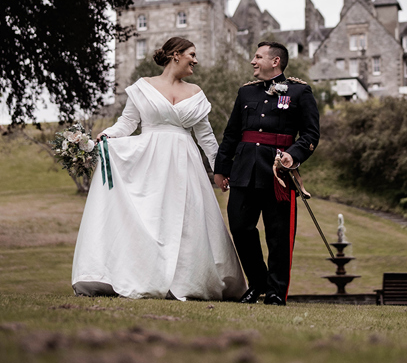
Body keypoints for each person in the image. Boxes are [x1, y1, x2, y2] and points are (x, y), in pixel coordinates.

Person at [71, 37, 246, 300]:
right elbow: (127, 123)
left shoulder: (196, 93)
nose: (195, 61)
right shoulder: (143, 87)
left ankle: (187, 281)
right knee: (151, 219)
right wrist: (106, 136)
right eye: (192, 54)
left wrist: (219, 168)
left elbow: (207, 137)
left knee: (187, 221)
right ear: (176, 55)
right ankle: (142, 275)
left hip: (184, 165)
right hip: (149, 163)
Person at [214, 41, 320, 306]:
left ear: (275, 61)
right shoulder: (245, 93)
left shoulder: (300, 92)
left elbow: (310, 134)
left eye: (258, 56)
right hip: (244, 171)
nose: (252, 60)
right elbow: (231, 134)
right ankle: (258, 282)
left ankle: (275, 291)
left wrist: (293, 155)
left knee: (279, 235)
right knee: (239, 226)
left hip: (278, 176)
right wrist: (221, 168)